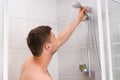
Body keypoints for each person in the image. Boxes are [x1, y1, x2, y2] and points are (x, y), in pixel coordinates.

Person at [20, 7, 87, 80]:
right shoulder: (42, 78)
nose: (57, 39)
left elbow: (60, 39)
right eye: (54, 38)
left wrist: (78, 19)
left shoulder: (28, 62)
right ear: (48, 46)